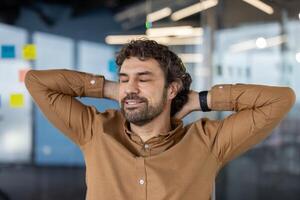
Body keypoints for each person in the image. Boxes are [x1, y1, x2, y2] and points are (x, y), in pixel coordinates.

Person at [25, 39, 296, 200]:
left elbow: (279, 100)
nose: (130, 88)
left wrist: (202, 100)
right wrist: (110, 88)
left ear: (171, 89)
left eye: (143, 79)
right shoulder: (94, 130)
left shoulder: (208, 141)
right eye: (124, 79)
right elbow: (36, 82)